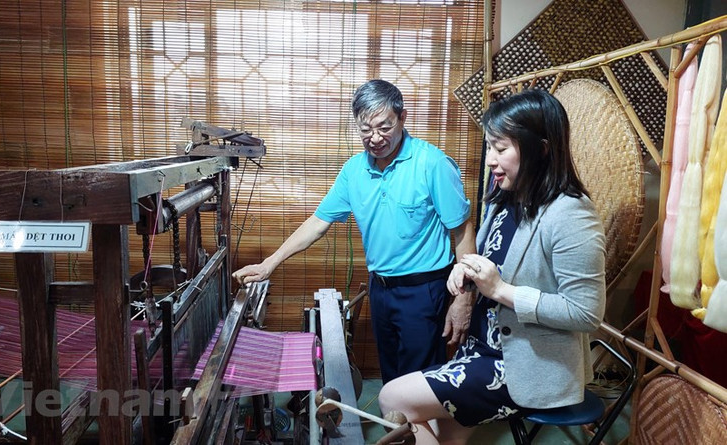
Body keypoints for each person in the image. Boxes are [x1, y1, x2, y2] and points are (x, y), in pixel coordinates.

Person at [378, 89, 606, 444]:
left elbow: (585, 312)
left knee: (394, 397)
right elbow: (491, 260)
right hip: (481, 349)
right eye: (489, 147)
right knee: (445, 433)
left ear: (541, 149)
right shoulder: (506, 199)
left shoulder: (571, 213)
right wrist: (466, 270)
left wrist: (501, 291)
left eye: (501, 148)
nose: (490, 160)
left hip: (525, 367)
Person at [232, 79, 476, 383]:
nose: (375, 138)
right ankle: (399, 428)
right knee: (393, 378)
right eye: (365, 129)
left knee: (422, 382)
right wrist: (269, 263)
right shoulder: (353, 171)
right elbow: (317, 223)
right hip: (381, 289)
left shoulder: (433, 164)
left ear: (403, 118)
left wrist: (464, 298)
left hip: (424, 290)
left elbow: (462, 231)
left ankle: (423, 432)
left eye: (384, 127)